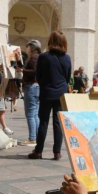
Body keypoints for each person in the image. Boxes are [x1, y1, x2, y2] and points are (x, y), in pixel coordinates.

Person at [28, 31, 71, 161]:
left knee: (44, 121)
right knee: (58, 123)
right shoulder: (67, 58)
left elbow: (38, 76)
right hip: (61, 93)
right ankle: (57, 152)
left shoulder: (44, 56)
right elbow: (68, 77)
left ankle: (39, 151)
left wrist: (45, 84)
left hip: (47, 92)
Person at [19, 39, 41, 146]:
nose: (26, 48)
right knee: (35, 114)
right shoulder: (37, 57)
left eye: (27, 46)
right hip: (36, 87)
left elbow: (34, 72)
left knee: (30, 115)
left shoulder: (34, 57)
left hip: (32, 87)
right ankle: (36, 137)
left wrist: (22, 70)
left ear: (32, 47)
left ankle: (32, 138)